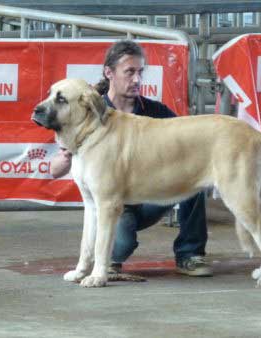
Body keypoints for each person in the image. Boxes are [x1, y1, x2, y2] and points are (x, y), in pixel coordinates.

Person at [50, 40, 212, 277]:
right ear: (109, 72)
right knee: (120, 245)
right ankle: (105, 261)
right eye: (129, 72)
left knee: (197, 174)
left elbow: (186, 144)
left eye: (140, 72)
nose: (137, 79)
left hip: (151, 195)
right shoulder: (88, 108)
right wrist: (65, 158)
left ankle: (190, 254)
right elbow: (55, 170)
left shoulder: (157, 111)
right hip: (116, 202)